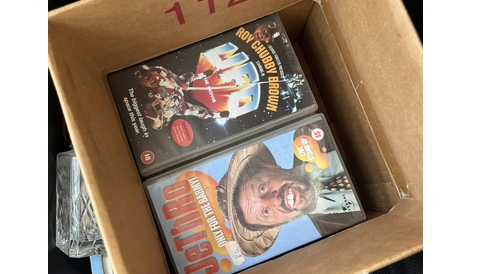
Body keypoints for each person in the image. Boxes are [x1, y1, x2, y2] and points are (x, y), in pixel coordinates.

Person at [216, 124, 364, 257]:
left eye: (262, 188)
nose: (274, 200)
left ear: (269, 167)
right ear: (276, 224)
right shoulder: (338, 238)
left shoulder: (308, 133)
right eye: (265, 212)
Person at [134, 65, 229, 130]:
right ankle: (215, 115)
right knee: (200, 111)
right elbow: (159, 124)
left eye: (150, 75)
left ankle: (201, 76)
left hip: (177, 87)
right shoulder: (153, 99)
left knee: (189, 75)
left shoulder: (158, 71)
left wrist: (180, 81)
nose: (151, 79)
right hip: (177, 106)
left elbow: (168, 73)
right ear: (143, 85)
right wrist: (156, 120)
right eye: (146, 79)